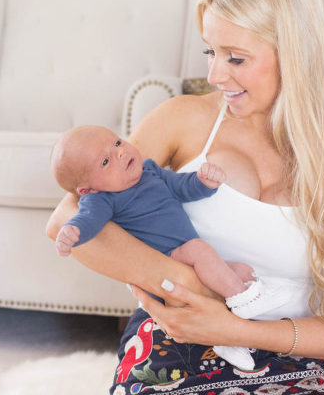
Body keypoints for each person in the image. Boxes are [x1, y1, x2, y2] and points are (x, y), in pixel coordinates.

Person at [46, 0, 324, 395]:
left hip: (295, 349)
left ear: (298, 56)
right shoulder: (182, 120)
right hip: (175, 337)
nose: (214, 75)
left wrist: (236, 328)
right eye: (210, 51)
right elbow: (65, 219)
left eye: (235, 58)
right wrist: (187, 284)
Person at [50, 125, 293, 370]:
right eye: (105, 161)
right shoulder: (101, 199)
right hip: (167, 263)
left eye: (117, 143)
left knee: (242, 270)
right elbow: (88, 220)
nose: (120, 153)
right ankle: (244, 300)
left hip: (185, 256)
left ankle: (228, 339)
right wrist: (73, 232)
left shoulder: (151, 171)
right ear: (87, 189)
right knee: (200, 250)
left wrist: (203, 182)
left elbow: (181, 187)